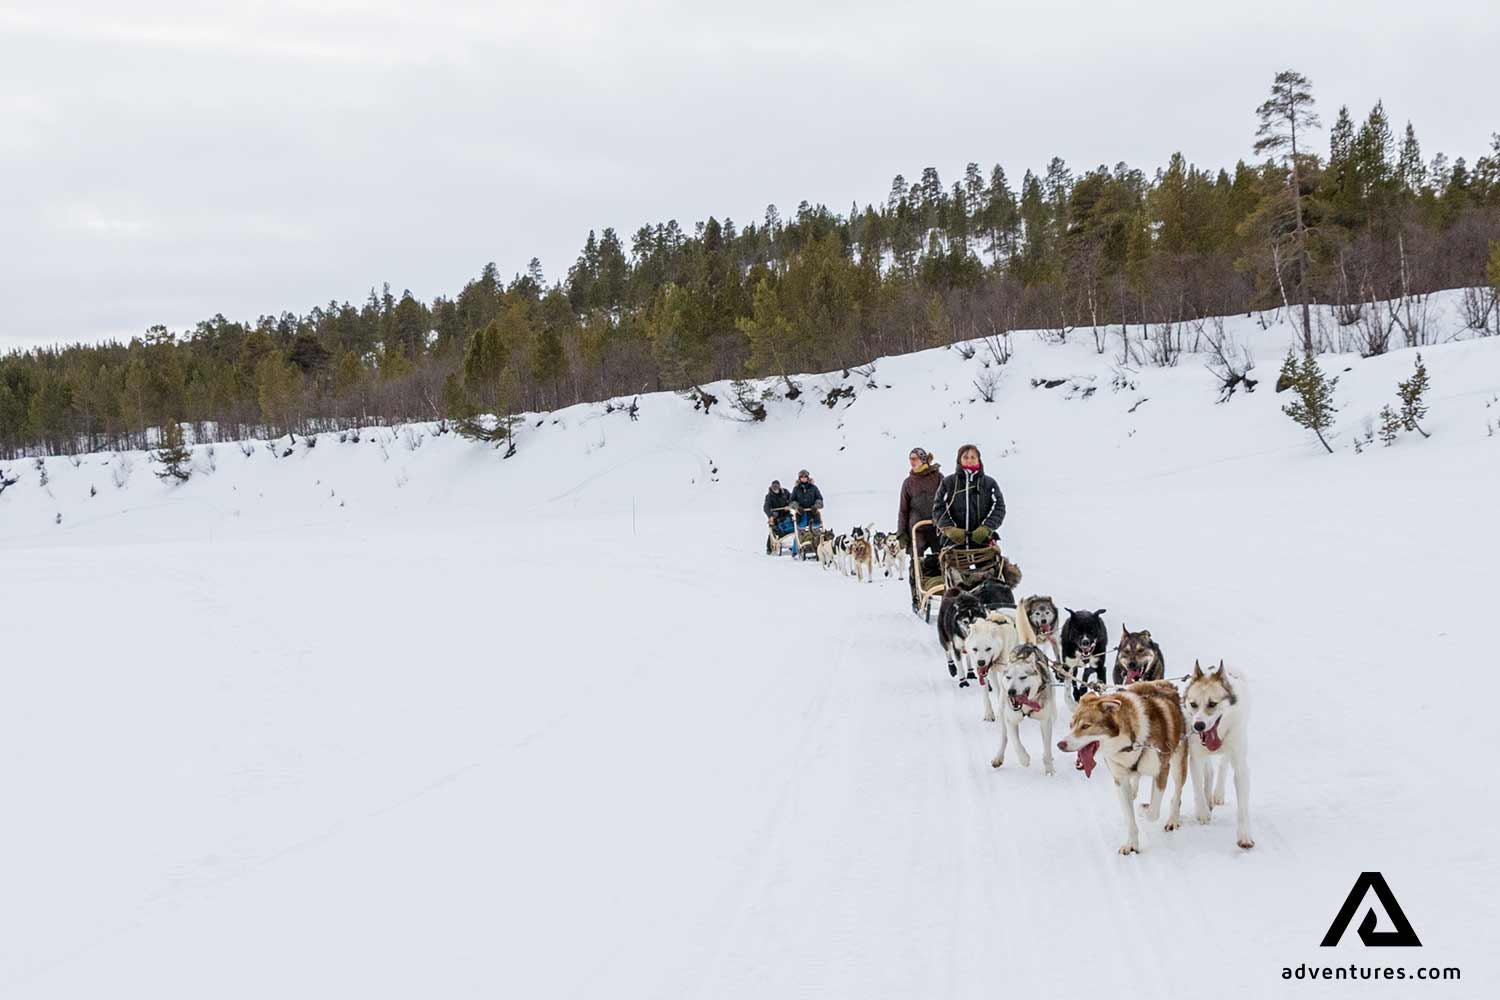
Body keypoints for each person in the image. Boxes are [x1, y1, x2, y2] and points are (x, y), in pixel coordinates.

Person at [896, 447, 943, 611]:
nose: (912, 461)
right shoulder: (908, 483)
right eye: (910, 458)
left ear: (923, 460)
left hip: (937, 525)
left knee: (943, 557)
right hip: (916, 529)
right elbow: (903, 510)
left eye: (914, 458)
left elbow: (947, 500)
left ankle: (945, 590)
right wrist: (901, 533)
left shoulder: (937, 478)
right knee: (916, 562)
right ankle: (917, 596)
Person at [933, 443, 1005, 548]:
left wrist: (987, 528)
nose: (969, 460)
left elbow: (999, 507)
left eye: (973, 457)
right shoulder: (948, 483)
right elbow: (938, 508)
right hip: (954, 542)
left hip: (983, 541)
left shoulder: (989, 483)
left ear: (978, 459)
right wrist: (949, 529)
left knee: (991, 563)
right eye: (965, 457)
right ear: (959, 460)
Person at [764, 479, 795, 552]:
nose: (775, 488)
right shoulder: (769, 496)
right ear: (771, 487)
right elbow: (766, 507)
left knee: (793, 527)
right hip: (776, 517)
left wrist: (789, 506)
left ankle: (793, 544)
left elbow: (792, 500)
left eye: (777, 487)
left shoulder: (785, 492)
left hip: (786, 515)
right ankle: (769, 548)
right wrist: (770, 515)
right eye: (774, 487)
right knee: (774, 530)